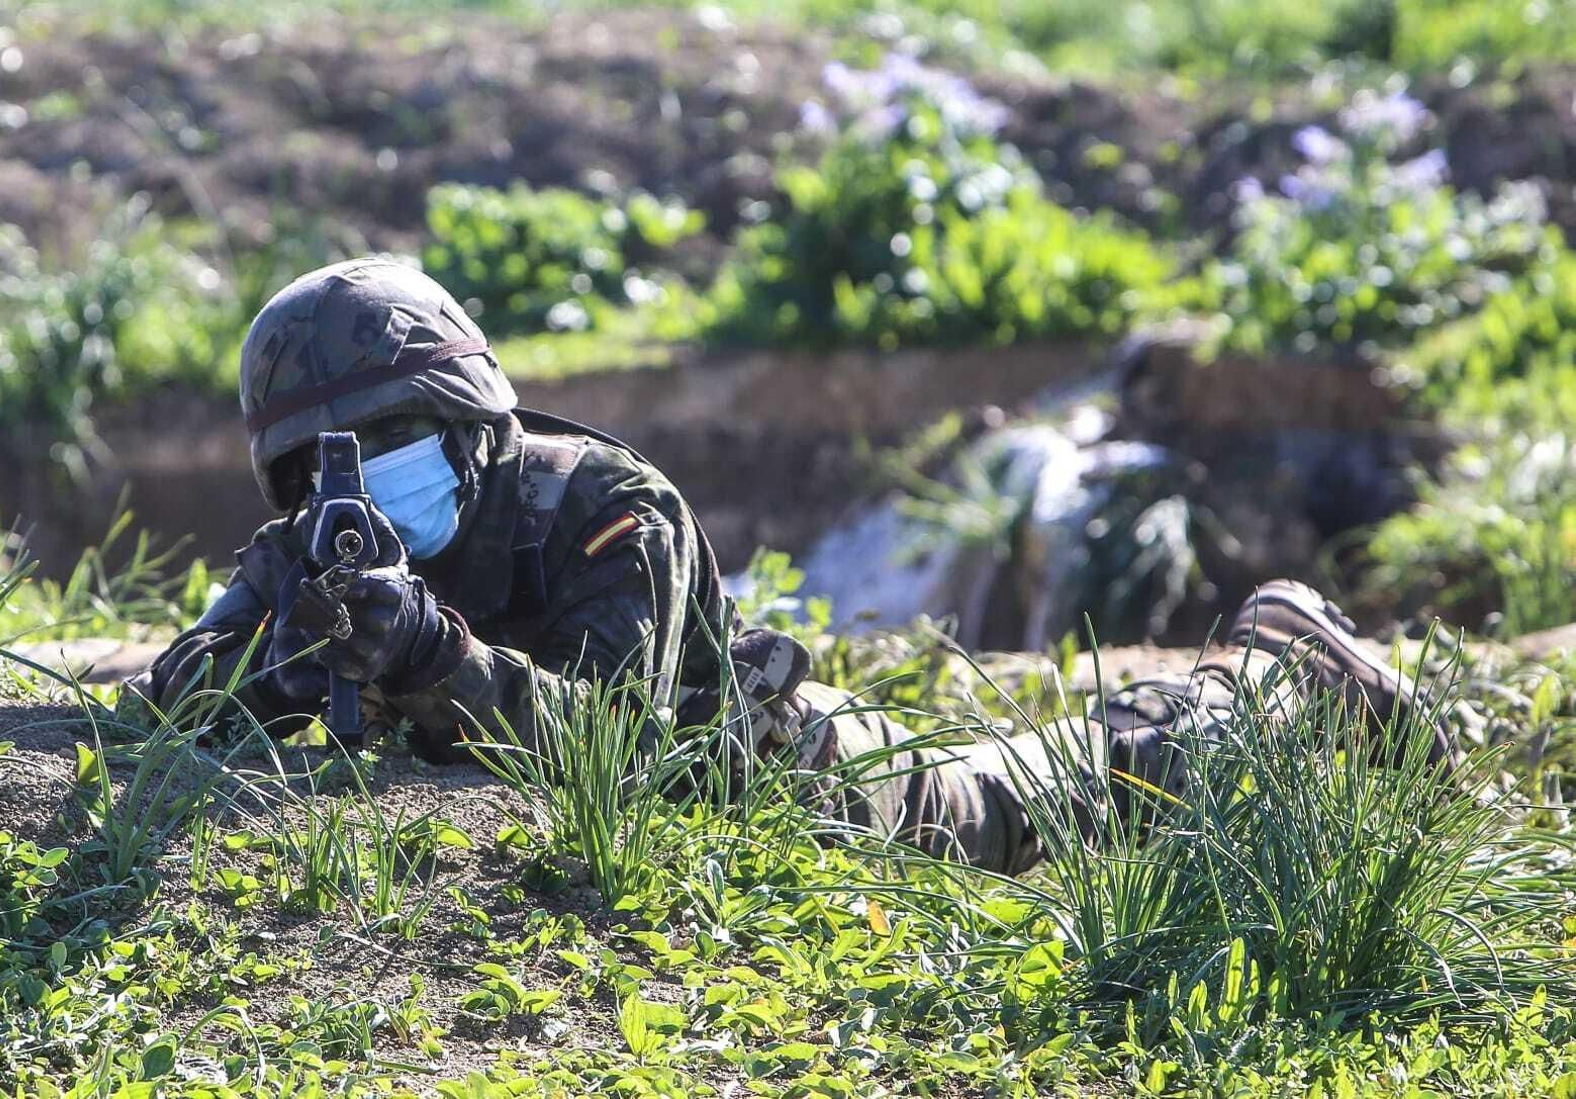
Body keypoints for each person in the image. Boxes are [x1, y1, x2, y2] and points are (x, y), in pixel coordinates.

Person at [128, 259, 1457, 877]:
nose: (359, 488)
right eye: (324, 469)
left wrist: (437, 662)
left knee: (1043, 797)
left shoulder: (598, 504)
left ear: (477, 427)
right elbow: (167, 712)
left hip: (801, 782)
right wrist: (269, 637)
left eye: (397, 447)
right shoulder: (325, 547)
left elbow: (614, 755)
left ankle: (1275, 691)